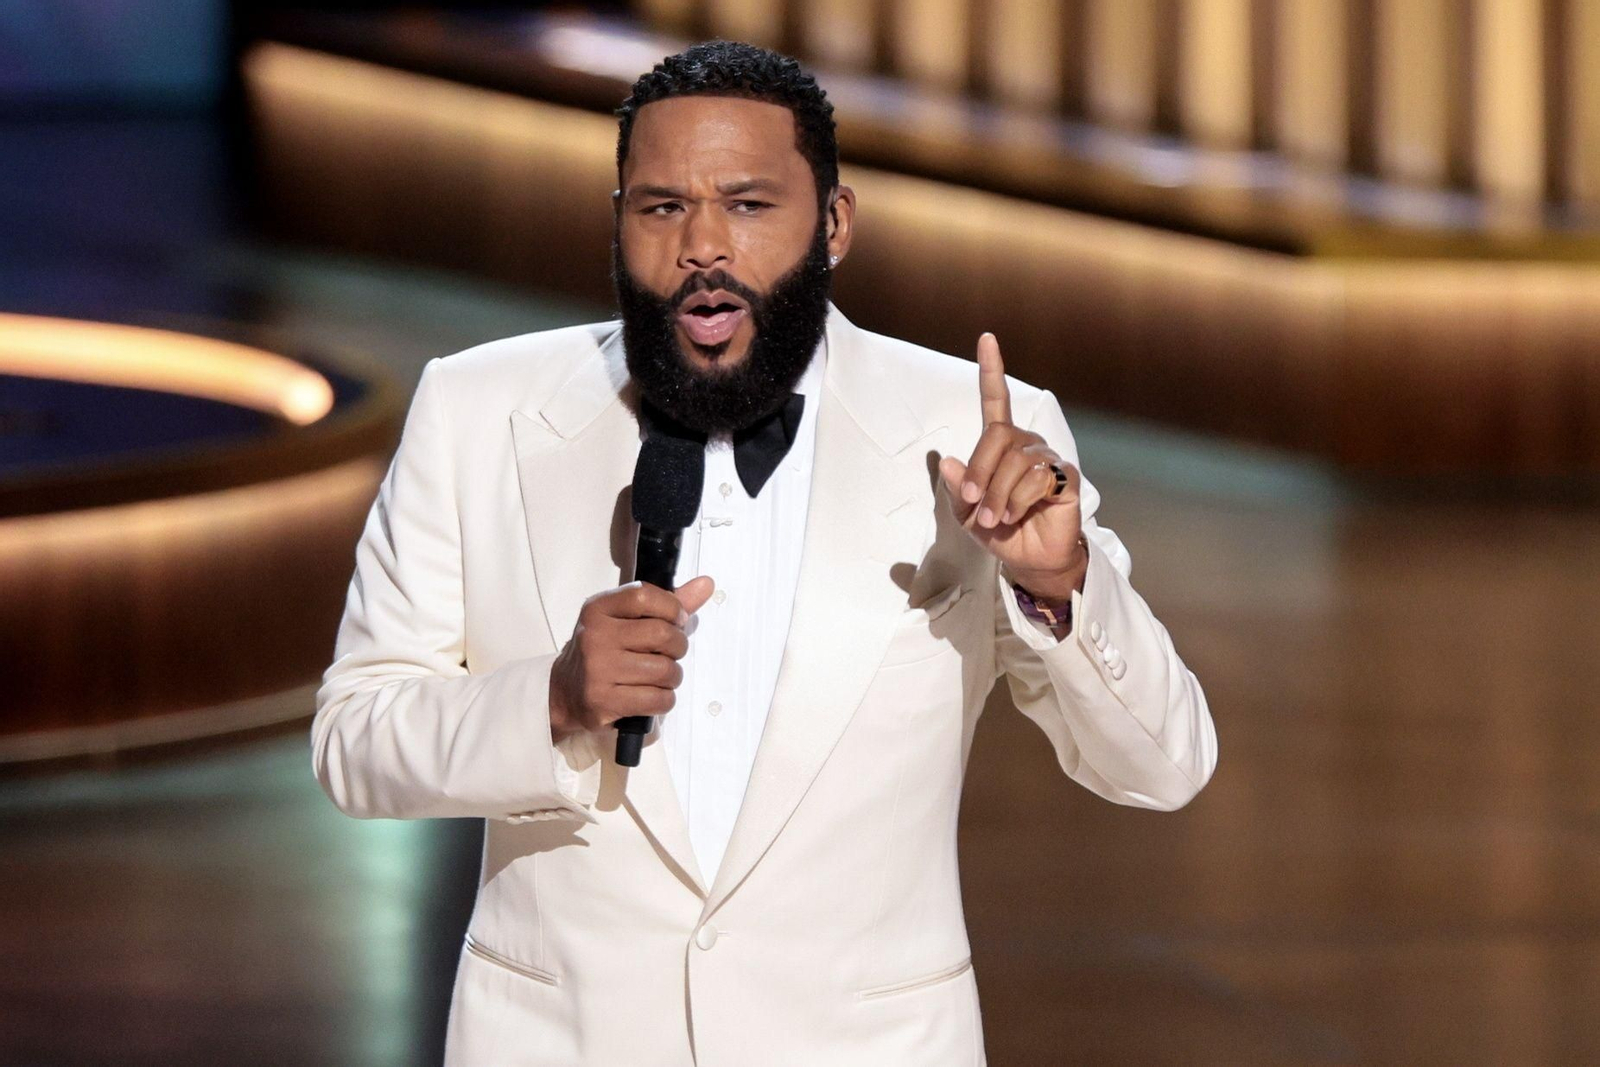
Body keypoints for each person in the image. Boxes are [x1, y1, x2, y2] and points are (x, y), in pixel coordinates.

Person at [312, 39, 1217, 1067]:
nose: (703, 245)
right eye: (660, 207)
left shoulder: (969, 429)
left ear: (832, 224)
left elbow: (1163, 765)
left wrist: (1058, 584)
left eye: (747, 204)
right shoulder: (478, 409)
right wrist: (551, 699)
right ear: (617, 220)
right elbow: (355, 739)